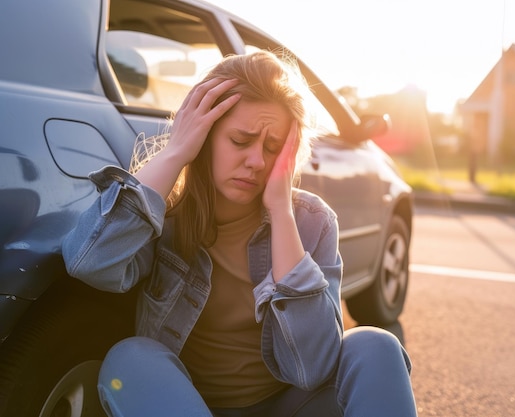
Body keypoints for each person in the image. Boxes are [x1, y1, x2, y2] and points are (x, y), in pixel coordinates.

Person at [62, 50, 417, 417]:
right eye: (240, 140)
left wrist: (280, 213)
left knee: (376, 345)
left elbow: (313, 367)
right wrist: (176, 151)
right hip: (190, 405)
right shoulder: (165, 215)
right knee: (131, 358)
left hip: (291, 405)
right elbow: (90, 263)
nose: (257, 162)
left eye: (272, 147)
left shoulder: (312, 223)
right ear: (205, 135)